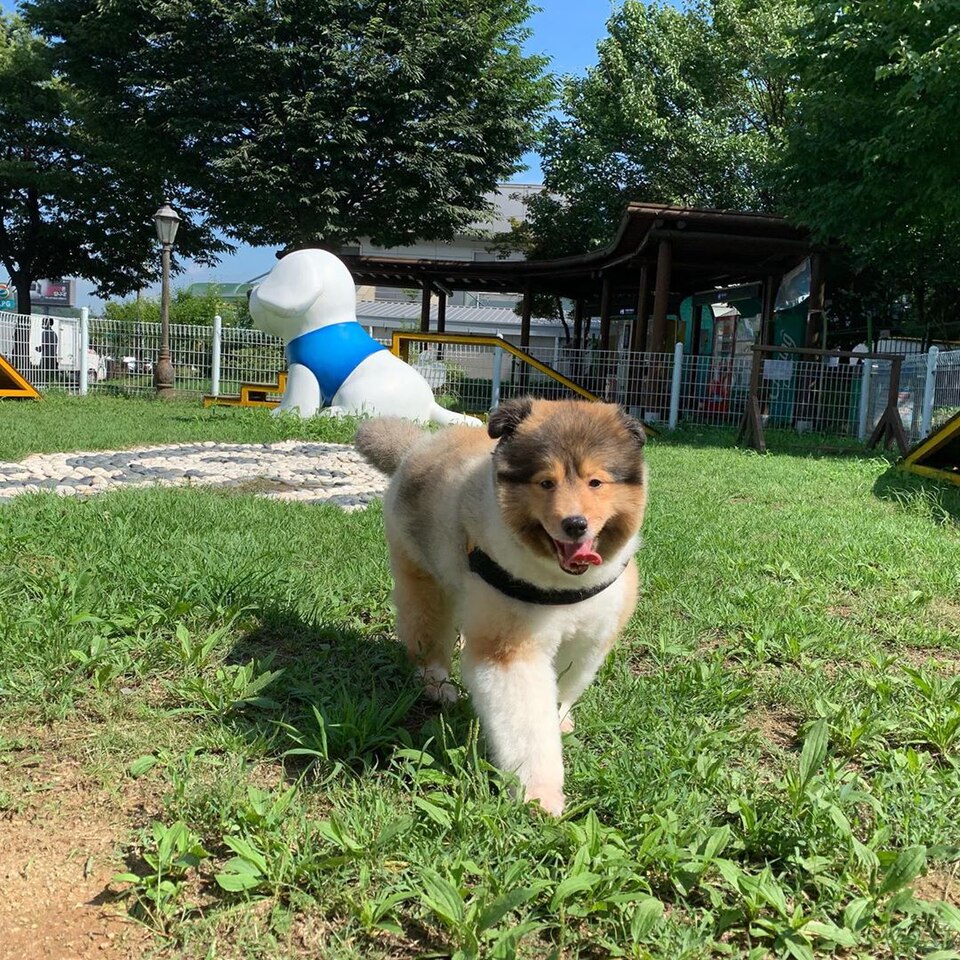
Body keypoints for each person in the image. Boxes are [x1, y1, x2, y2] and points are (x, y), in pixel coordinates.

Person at [40, 317, 59, 386]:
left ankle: (44, 385)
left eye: (43, 322)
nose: (42, 324)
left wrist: (39, 349)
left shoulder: (45, 333)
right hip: (53, 356)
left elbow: (44, 345)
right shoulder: (54, 334)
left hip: (46, 357)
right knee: (52, 373)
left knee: (44, 373)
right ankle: (51, 385)